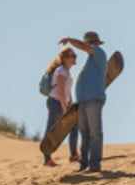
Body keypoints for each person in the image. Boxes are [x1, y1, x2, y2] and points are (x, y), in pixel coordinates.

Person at [59, 31, 108, 172]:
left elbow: (84, 47)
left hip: (93, 100)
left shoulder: (98, 52)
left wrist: (70, 40)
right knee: (85, 134)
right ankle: (84, 164)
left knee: (94, 133)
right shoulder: (90, 59)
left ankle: (94, 165)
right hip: (84, 101)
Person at [42, 46, 79, 167]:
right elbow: (60, 92)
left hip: (63, 104)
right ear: (65, 58)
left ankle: (74, 155)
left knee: (74, 126)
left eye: (75, 55)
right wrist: (64, 110)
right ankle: (47, 159)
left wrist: (71, 104)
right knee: (51, 129)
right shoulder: (60, 71)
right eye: (72, 56)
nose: (75, 58)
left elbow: (67, 91)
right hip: (55, 103)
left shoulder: (66, 72)